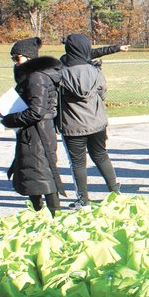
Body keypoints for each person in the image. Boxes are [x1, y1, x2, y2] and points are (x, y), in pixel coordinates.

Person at [1, 37, 65, 215]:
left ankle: (54, 214)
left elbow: (37, 111)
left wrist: (10, 119)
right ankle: (41, 213)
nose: (15, 62)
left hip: (38, 133)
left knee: (42, 173)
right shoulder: (32, 75)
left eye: (17, 58)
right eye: (13, 58)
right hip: (34, 131)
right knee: (34, 173)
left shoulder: (36, 77)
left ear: (29, 57)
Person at [57, 34, 121, 209]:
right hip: (97, 122)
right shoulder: (95, 71)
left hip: (73, 125)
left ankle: (83, 199)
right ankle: (115, 192)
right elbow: (102, 93)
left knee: (78, 163)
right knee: (101, 155)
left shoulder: (60, 73)